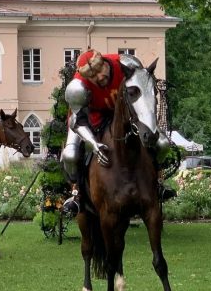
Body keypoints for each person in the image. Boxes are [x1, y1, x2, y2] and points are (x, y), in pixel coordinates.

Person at [61, 50, 174, 214]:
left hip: (124, 113)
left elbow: (144, 92)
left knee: (162, 144)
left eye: (101, 70)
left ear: (105, 63)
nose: (99, 77)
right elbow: (77, 121)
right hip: (91, 117)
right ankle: (76, 195)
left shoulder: (128, 65)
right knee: (70, 155)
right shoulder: (77, 87)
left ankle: (158, 183)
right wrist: (94, 144)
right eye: (93, 76)